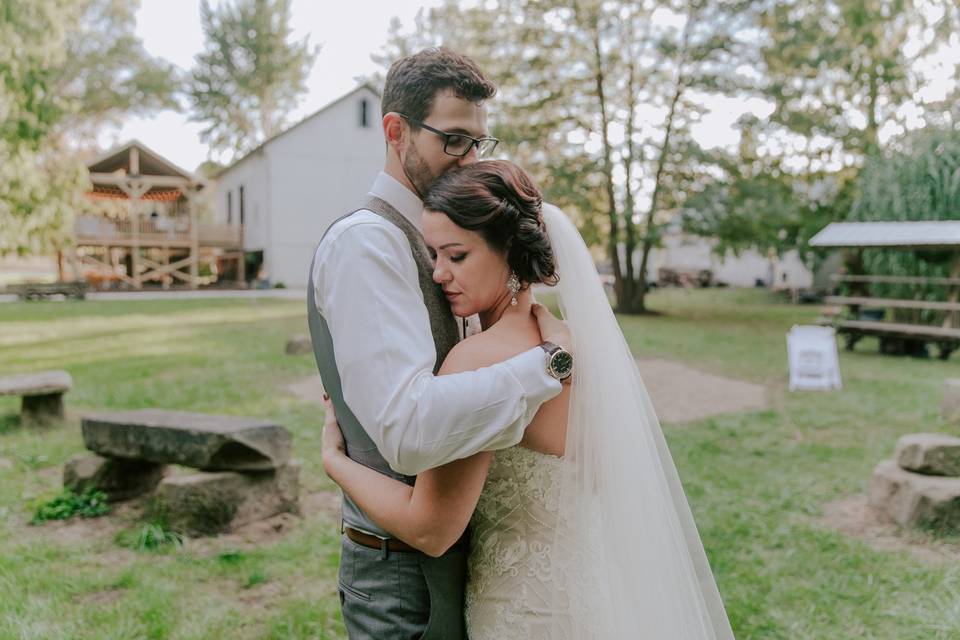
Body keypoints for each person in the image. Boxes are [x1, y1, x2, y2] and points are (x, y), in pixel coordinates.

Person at [322, 160, 736, 639]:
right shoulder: (572, 342)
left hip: (519, 612)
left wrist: (335, 461)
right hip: (592, 599)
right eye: (434, 255)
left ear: (510, 253)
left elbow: (431, 529)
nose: (438, 274)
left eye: (456, 256)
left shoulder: (477, 362)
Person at [307, 48, 573, 640]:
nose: (468, 158)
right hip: (401, 573)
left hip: (460, 555)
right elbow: (407, 431)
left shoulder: (448, 235)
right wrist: (545, 368)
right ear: (395, 130)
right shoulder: (368, 243)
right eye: (453, 139)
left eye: (478, 141)